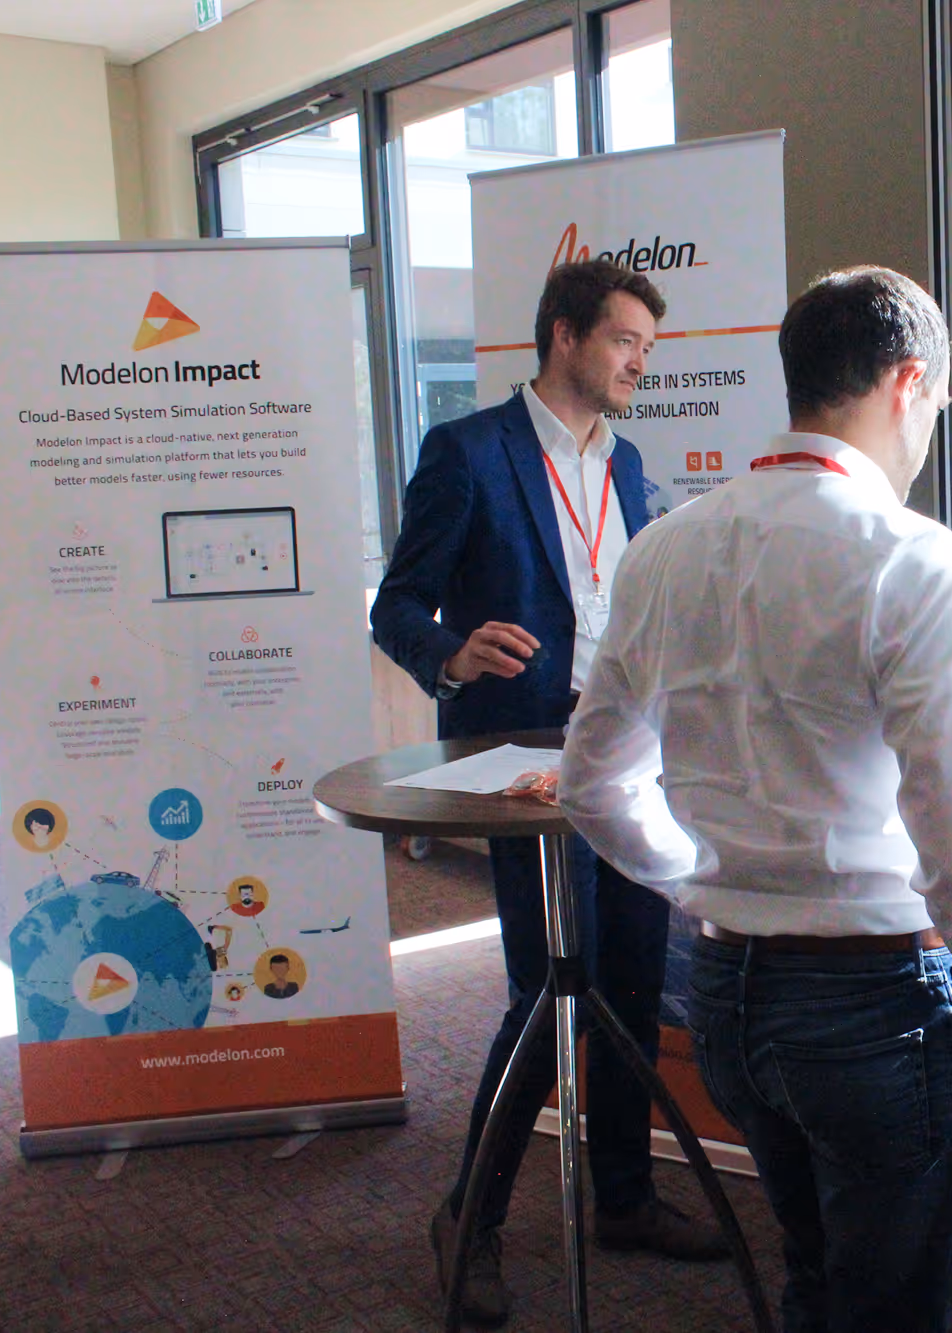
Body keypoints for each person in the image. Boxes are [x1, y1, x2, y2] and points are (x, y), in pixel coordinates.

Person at [559, 265, 952, 1333]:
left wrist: (699, 877)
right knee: (891, 1307)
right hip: (878, 1004)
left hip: (729, 993)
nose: (931, 430)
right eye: (938, 406)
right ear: (906, 383)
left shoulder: (662, 549)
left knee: (815, 1280)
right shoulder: (910, 558)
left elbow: (590, 785)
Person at [372, 259, 726, 1327]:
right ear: (565, 336)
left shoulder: (628, 467)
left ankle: (621, 1195)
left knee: (626, 978)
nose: (636, 365)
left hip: (623, 754)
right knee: (544, 992)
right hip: (516, 762)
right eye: (624, 342)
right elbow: (397, 604)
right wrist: (450, 652)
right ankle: (467, 1220)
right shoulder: (468, 452)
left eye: (647, 350)